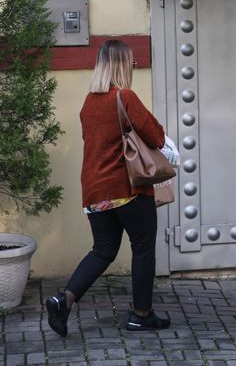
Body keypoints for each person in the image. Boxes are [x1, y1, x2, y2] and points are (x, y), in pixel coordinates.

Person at [45, 39, 171, 337]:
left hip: (95, 193)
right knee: (143, 250)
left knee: (102, 251)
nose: (134, 67)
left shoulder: (89, 102)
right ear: (122, 65)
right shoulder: (124, 96)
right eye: (132, 63)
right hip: (127, 190)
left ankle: (64, 300)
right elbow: (156, 137)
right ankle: (141, 314)